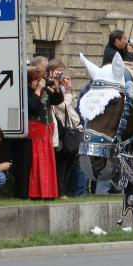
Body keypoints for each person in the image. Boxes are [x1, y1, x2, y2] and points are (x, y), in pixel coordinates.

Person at [50, 60, 87, 197]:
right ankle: (61, 191)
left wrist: (70, 91)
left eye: (63, 71)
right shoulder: (55, 89)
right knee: (63, 162)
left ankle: (67, 190)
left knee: (72, 162)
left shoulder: (64, 88)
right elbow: (63, 106)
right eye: (59, 71)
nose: (62, 75)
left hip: (73, 127)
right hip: (63, 129)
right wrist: (69, 94)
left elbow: (74, 105)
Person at [27, 65, 63, 199]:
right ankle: (36, 192)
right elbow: (32, 106)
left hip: (45, 132)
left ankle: (49, 192)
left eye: (40, 79)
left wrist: (56, 87)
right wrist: (38, 89)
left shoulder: (44, 91)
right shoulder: (28, 92)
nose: (39, 82)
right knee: (37, 164)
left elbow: (58, 100)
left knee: (47, 163)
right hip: (35, 132)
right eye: (36, 80)